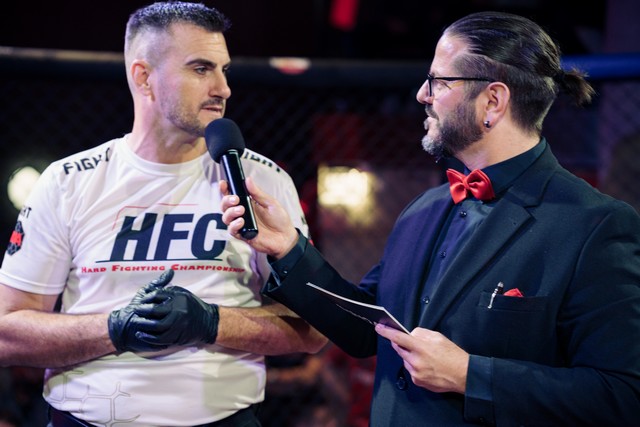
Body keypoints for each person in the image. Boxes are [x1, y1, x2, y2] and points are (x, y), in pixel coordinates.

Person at [221, 11, 640, 426]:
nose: (423, 94)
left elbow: (623, 396)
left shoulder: (595, 225)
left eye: (439, 81)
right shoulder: (422, 209)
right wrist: (288, 248)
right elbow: (365, 328)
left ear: (493, 101)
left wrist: (470, 376)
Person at [0, 2, 326, 426]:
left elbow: (314, 330)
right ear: (144, 77)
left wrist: (210, 322)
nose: (223, 88)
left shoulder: (262, 181)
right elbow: (7, 334)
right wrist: (116, 328)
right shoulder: (68, 181)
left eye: (224, 70)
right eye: (201, 69)